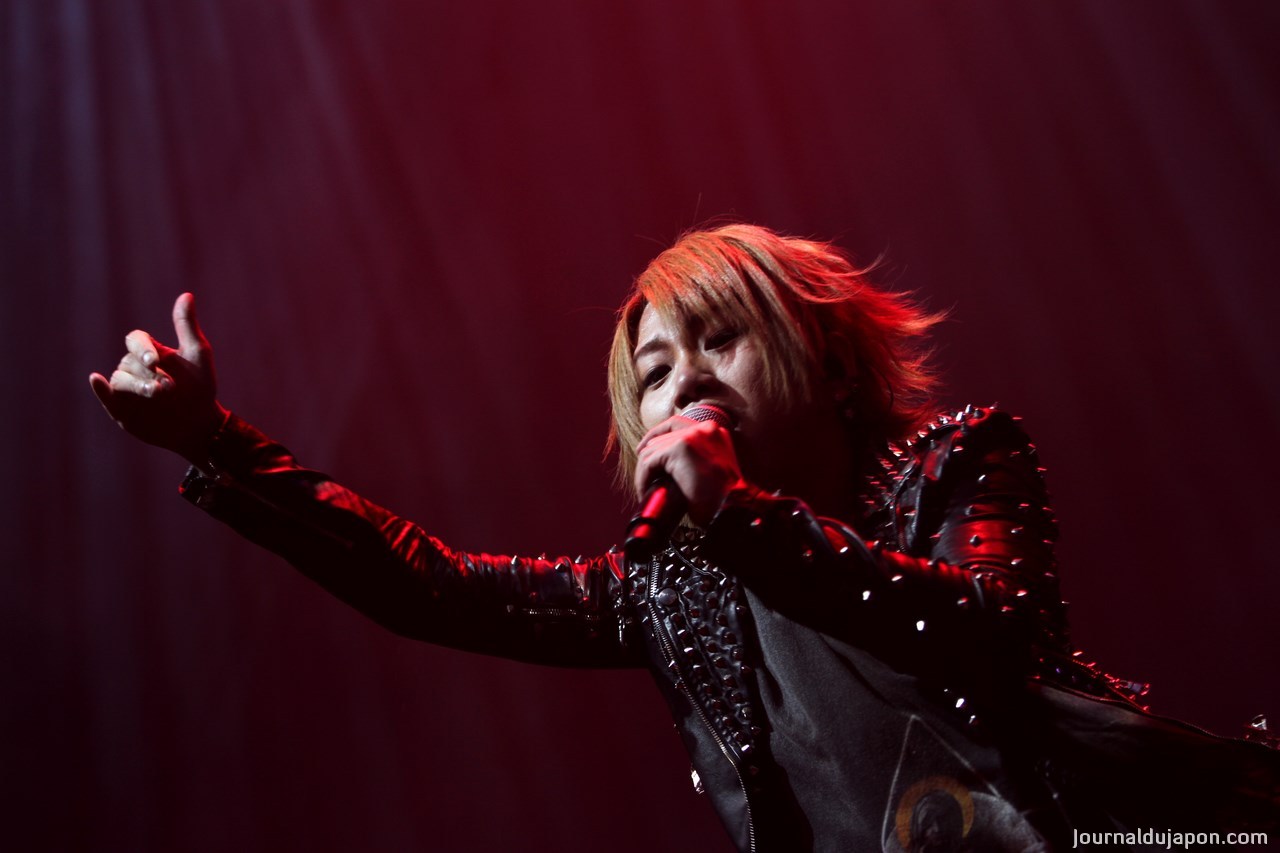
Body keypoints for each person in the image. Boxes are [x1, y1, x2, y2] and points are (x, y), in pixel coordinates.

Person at [91, 224, 1277, 851]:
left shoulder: (952, 460)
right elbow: (435, 587)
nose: (682, 382)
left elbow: (986, 628)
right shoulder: (668, 586)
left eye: (718, 340)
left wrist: (744, 516)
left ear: (826, 365)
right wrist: (219, 443)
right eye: (652, 371)